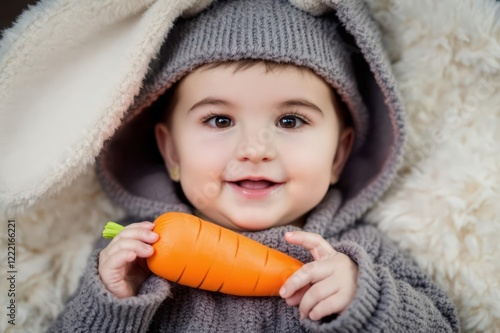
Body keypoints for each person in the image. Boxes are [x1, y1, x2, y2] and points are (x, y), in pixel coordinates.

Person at [48, 0, 460, 332]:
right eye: (220, 120)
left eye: (290, 120)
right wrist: (114, 307)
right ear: (171, 153)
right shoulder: (135, 260)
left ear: (338, 155)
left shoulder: (360, 256)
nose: (255, 149)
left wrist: (366, 302)